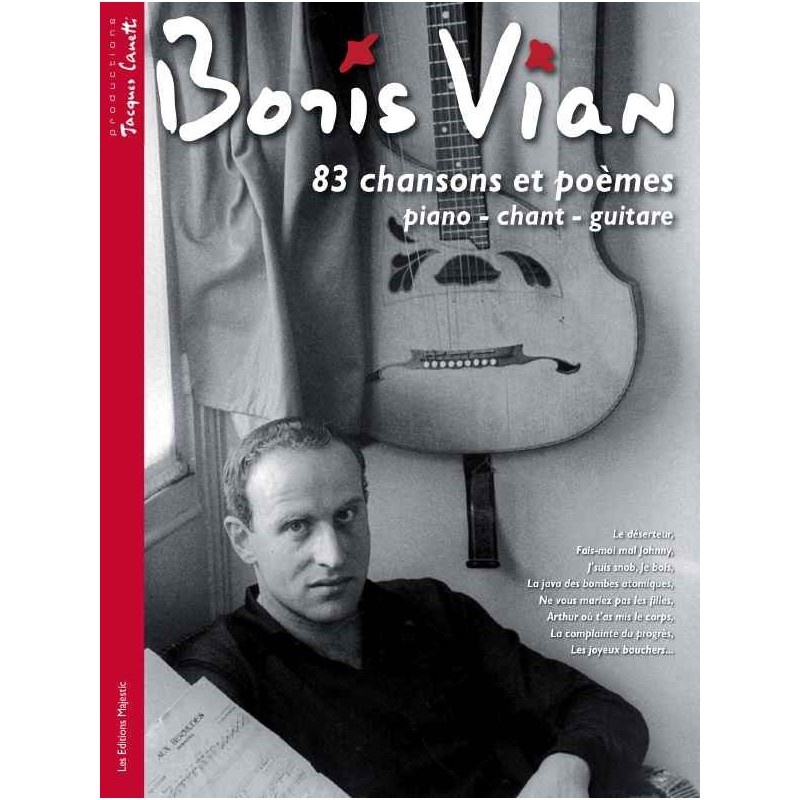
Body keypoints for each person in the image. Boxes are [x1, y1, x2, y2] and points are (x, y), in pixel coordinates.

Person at [168, 418, 649, 797]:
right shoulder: (215, 680)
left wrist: (567, 767)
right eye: (297, 526)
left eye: (346, 515)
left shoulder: (431, 608)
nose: (333, 555)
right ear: (243, 540)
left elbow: (606, 711)